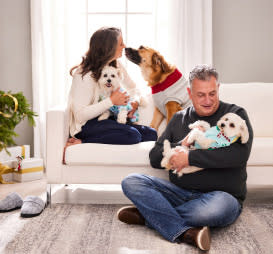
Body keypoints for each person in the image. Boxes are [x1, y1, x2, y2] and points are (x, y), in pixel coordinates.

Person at [117, 65, 253, 251]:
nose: (207, 100)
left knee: (214, 210)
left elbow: (239, 155)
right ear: (189, 92)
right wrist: (183, 145)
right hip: (179, 193)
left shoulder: (235, 115)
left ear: (218, 88)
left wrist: (190, 158)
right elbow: (155, 157)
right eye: (201, 95)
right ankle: (187, 232)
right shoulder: (179, 118)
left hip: (222, 197)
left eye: (212, 93)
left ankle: (149, 216)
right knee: (131, 181)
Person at [66, 27, 157, 148]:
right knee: (133, 135)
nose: (124, 46)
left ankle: (111, 132)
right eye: (120, 43)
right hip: (87, 125)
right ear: (109, 48)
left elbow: (133, 88)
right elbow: (80, 115)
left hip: (109, 118)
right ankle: (83, 141)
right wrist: (112, 101)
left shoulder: (115, 64)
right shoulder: (84, 74)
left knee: (151, 134)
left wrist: (135, 102)